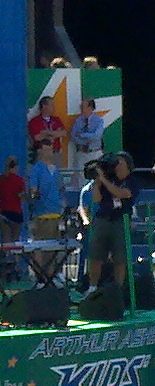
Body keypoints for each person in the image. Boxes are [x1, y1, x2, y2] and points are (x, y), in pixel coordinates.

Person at [85, 151, 140, 297]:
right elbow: (97, 199)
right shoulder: (107, 178)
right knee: (96, 255)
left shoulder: (132, 181)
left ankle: (117, 290)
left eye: (119, 162)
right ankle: (92, 287)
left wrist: (104, 180)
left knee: (120, 258)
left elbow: (123, 193)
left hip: (121, 221)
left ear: (128, 165)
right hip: (103, 219)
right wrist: (97, 182)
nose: (116, 166)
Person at [28, 139, 65, 287]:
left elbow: (60, 188)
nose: (49, 152)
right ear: (40, 151)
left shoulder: (55, 169)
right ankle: (39, 276)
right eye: (45, 149)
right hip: (42, 213)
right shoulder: (36, 169)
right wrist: (34, 195)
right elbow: (33, 191)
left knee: (53, 248)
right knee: (40, 246)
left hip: (56, 213)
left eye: (50, 149)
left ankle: (51, 275)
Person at [70, 98, 104, 187]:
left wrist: (82, 135)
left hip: (94, 152)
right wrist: (88, 138)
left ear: (90, 107)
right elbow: (73, 136)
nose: (81, 109)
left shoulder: (99, 121)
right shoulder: (78, 121)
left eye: (83, 107)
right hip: (82, 153)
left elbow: (97, 136)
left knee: (97, 176)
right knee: (81, 177)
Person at [28, 96, 67, 168]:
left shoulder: (56, 120)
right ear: (44, 106)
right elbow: (37, 137)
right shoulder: (34, 121)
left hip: (55, 153)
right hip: (42, 154)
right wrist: (55, 133)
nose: (54, 107)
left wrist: (47, 133)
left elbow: (63, 133)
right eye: (51, 105)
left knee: (57, 177)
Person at [0, 156, 25, 244]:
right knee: (16, 240)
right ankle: (16, 258)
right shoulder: (20, 180)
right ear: (16, 167)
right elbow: (22, 197)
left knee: (5, 239)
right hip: (16, 212)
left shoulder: (0, 179)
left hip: (3, 211)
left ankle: (6, 256)